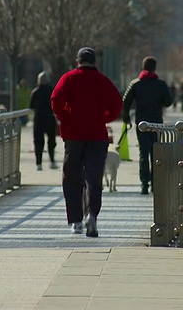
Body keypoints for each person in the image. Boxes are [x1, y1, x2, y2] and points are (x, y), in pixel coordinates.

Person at [50, 47, 122, 237]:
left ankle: (75, 221)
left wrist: (64, 116)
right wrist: (105, 117)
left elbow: (56, 99)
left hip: (74, 135)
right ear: (94, 62)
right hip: (97, 135)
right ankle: (92, 215)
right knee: (94, 177)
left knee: (72, 177)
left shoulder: (69, 78)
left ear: (78, 61)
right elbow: (117, 104)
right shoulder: (103, 81)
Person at [122, 56, 173, 195]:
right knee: (155, 153)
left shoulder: (136, 84)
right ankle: (155, 184)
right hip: (157, 124)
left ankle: (144, 184)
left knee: (143, 153)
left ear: (143, 67)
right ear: (155, 68)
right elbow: (168, 102)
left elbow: (125, 102)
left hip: (142, 124)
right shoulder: (161, 85)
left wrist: (126, 118)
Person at [29, 71, 57, 171]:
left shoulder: (35, 92)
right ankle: (52, 161)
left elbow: (31, 106)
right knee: (51, 141)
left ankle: (38, 163)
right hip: (50, 118)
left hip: (38, 118)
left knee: (38, 142)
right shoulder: (52, 91)